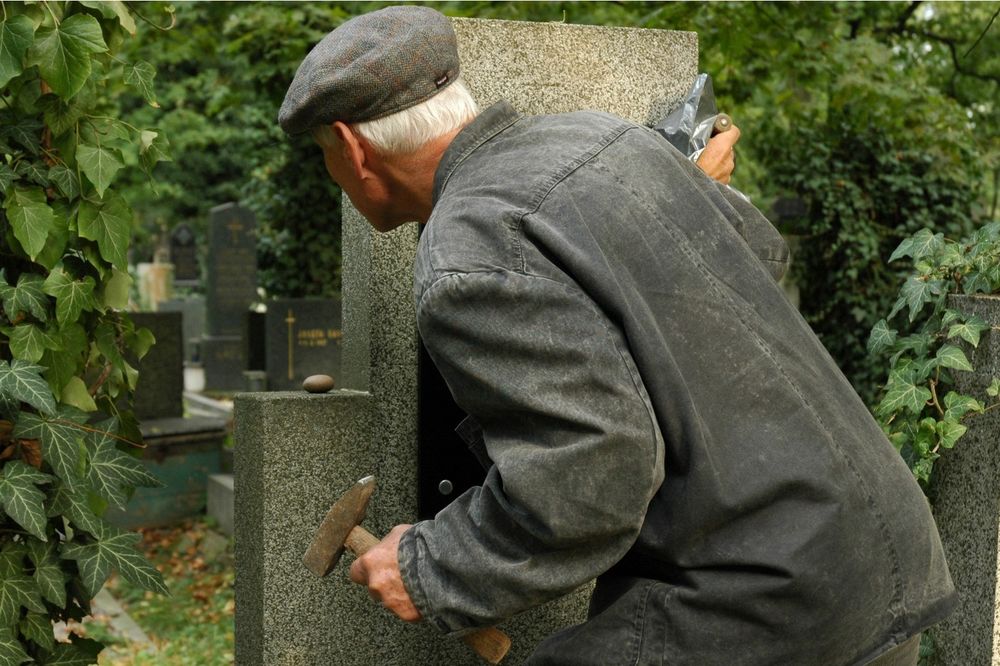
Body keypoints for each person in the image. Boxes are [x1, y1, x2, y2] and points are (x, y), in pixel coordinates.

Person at [279, 6, 955, 664]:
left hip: (764, 597)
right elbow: (761, 251)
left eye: (323, 156)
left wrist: (430, 566)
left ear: (352, 147)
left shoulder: (468, 253)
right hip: (881, 550)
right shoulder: (606, 139)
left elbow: (595, 476)